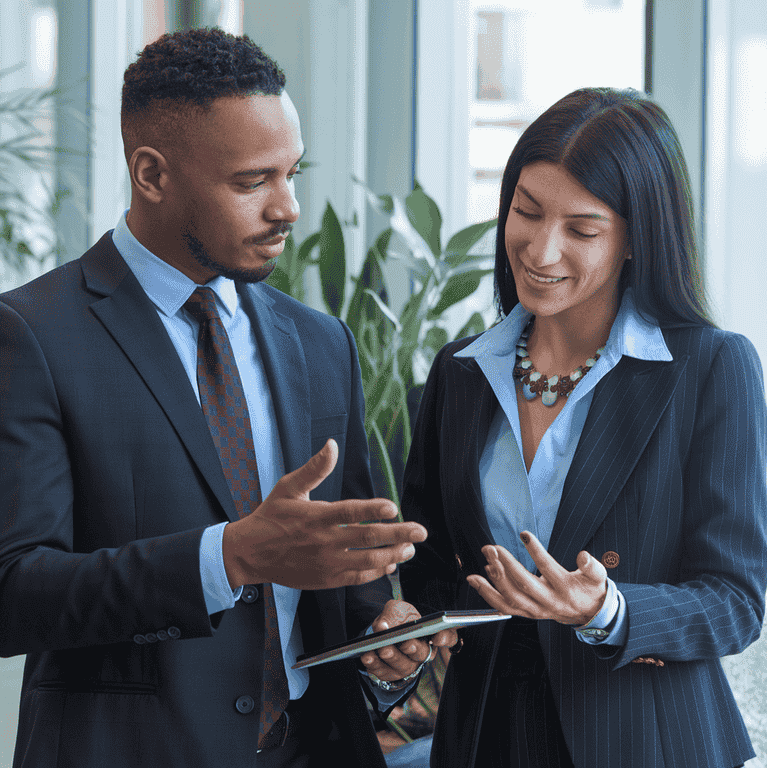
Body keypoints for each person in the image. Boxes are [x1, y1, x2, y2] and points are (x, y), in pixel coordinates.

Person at [0, 28, 455, 768]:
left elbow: (349, 569)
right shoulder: (32, 335)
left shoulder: (321, 342)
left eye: (292, 174)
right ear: (151, 174)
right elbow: (14, 592)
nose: (290, 209)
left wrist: (384, 631)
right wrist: (229, 556)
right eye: (253, 183)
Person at [399, 87, 767, 768]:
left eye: (582, 229)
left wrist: (607, 608)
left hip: (643, 742)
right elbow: (432, 569)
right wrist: (411, 625)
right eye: (526, 212)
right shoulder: (459, 372)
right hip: (485, 738)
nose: (541, 249)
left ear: (636, 240)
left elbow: (735, 602)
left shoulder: (711, 368)